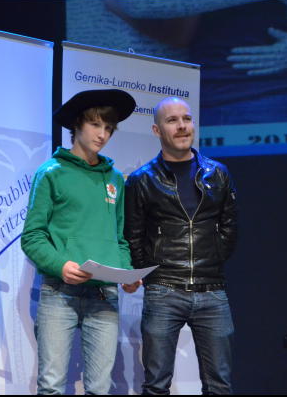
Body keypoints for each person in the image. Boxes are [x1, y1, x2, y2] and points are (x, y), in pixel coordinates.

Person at [21, 89, 142, 395]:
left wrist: (127, 273)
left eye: (109, 128)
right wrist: (60, 265)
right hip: (59, 292)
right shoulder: (51, 173)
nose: (102, 135)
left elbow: (118, 238)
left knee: (100, 389)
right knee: (51, 386)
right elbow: (32, 237)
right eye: (95, 125)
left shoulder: (114, 178)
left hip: (104, 294)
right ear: (77, 124)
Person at [124, 97, 238, 394]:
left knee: (220, 385)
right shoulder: (141, 180)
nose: (182, 126)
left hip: (212, 290)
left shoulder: (218, 173)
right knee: (156, 385)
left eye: (186, 119)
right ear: (156, 130)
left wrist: (212, 260)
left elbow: (229, 227)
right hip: (164, 290)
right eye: (172, 120)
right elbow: (133, 236)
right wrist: (152, 275)